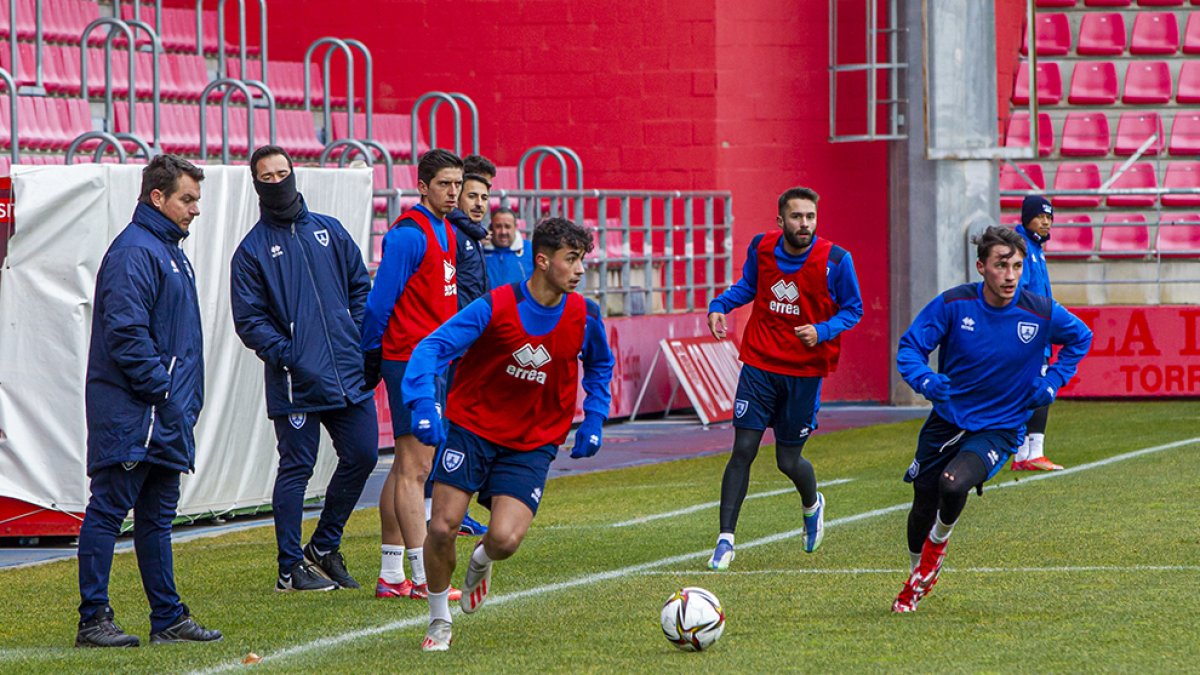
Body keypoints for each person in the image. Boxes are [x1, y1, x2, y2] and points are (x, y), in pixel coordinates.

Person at [402, 217, 614, 652]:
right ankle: (439, 621)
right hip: (473, 429)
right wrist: (422, 402)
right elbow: (432, 347)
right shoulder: (495, 305)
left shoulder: (584, 315)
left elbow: (600, 365)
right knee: (441, 527)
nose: (579, 270)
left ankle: (482, 560)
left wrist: (594, 417)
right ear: (543, 261)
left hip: (533, 441)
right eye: (571, 259)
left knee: (504, 539)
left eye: (582, 261)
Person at [892, 225, 1092, 613]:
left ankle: (936, 549)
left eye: (1017, 266)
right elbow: (911, 348)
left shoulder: (1040, 310)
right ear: (982, 267)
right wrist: (926, 380)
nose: (1011, 275)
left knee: (953, 485)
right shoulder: (953, 305)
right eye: (1002, 265)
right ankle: (918, 571)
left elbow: (1080, 337)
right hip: (947, 421)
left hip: (999, 427)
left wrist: (1051, 383)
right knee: (923, 501)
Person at [76, 154, 222, 647]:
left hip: (163, 413)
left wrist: (179, 400)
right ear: (157, 197)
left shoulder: (167, 250)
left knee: (157, 517)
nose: (195, 209)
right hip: (138, 411)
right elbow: (126, 333)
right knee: (109, 508)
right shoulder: (135, 252)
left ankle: (168, 618)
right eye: (187, 199)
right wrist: (162, 389)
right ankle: (93, 619)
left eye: (197, 200)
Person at [230, 146, 379, 592]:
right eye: (268, 177)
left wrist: (354, 334)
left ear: (294, 174)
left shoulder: (329, 230)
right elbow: (249, 321)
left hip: (347, 371)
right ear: (257, 185)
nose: (278, 182)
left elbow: (360, 286)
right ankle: (289, 567)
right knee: (297, 467)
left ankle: (324, 546)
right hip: (295, 380)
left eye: (283, 173)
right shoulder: (251, 251)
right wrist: (290, 353)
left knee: (363, 454)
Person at [704, 186, 863, 570]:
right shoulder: (761, 247)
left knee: (788, 461)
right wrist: (720, 305)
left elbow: (853, 309)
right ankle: (725, 541)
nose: (804, 224)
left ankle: (812, 504)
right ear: (781, 220)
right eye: (796, 217)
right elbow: (749, 286)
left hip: (804, 372)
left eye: (810, 217)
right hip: (759, 364)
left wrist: (822, 330)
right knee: (743, 449)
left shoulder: (836, 260)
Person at [360, 149, 464, 601]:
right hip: (408, 361)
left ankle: (391, 573)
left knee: (407, 467)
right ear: (422, 186)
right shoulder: (407, 235)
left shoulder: (447, 229)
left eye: (457, 184)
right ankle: (425, 577)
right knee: (416, 469)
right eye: (444, 184)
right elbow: (379, 304)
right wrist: (370, 354)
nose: (453, 192)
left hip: (433, 360)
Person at [1010, 195, 1062, 471]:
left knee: (1028, 387)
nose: (1046, 222)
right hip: (1029, 331)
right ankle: (1032, 453)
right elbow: (1023, 292)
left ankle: (1023, 455)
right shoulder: (1022, 247)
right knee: (1040, 387)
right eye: (1040, 216)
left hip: (1034, 329)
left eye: (1049, 217)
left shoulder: (1034, 247)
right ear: (1027, 217)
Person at [484, 207, 533, 288]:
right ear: (491, 228)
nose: (503, 232)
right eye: (498, 226)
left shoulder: (530, 250)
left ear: (516, 227)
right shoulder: (480, 251)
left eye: (507, 226)